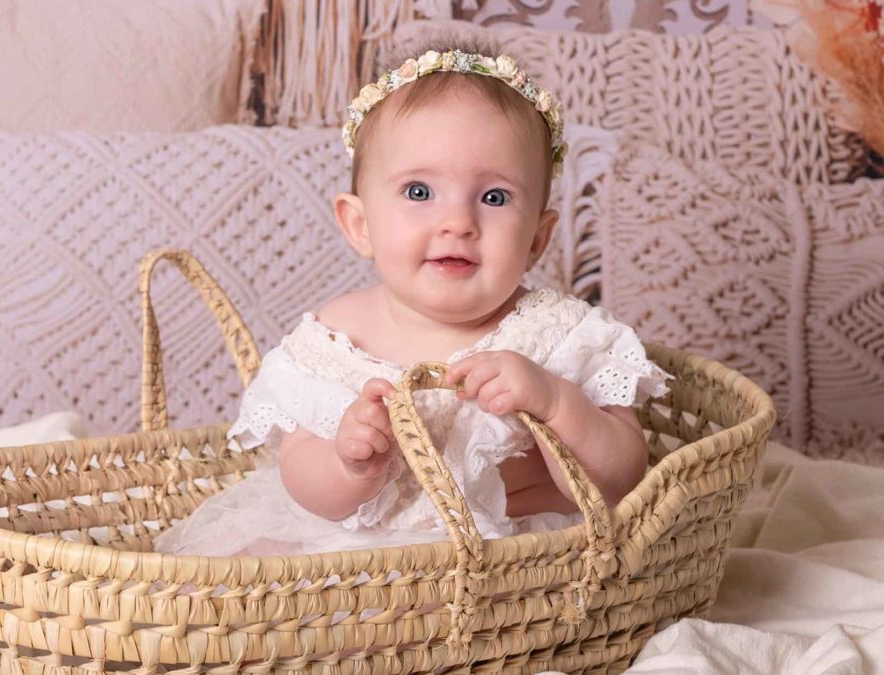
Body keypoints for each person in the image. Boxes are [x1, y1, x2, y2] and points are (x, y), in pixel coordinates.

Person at [154, 38, 672, 557]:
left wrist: (556, 400)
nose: (457, 224)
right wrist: (346, 464)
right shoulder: (338, 336)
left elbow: (621, 478)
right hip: (359, 557)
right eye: (419, 192)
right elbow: (298, 476)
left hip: (520, 568)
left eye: (495, 197)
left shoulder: (563, 337)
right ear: (359, 225)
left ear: (537, 239)